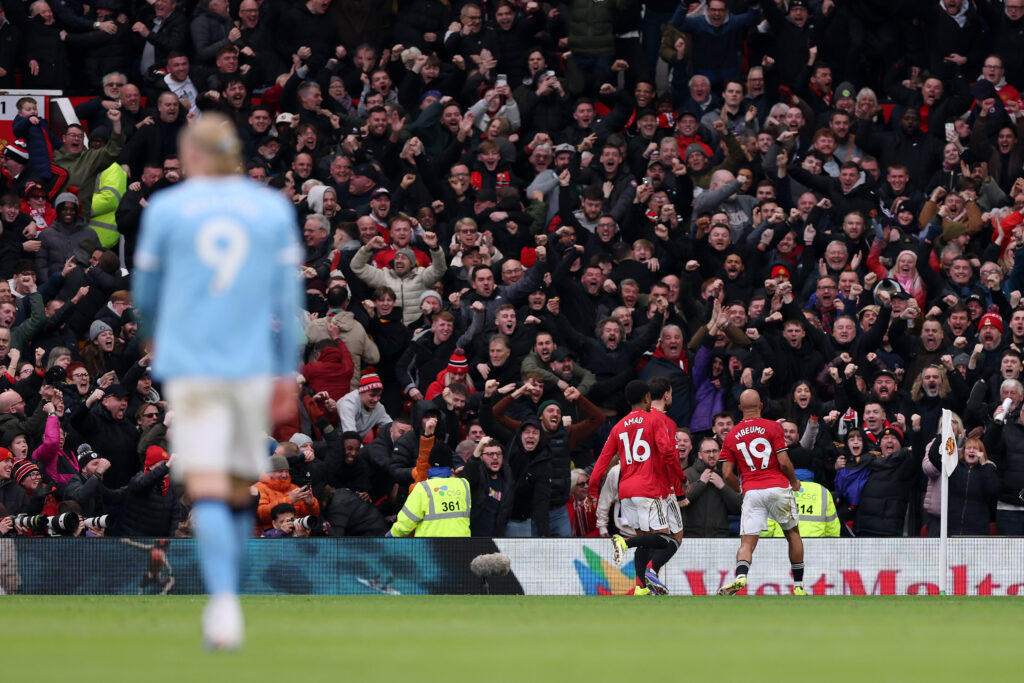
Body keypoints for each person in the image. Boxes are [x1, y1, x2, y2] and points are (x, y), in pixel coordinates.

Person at [132, 113, 302, 650]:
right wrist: (285, 366)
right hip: (250, 361)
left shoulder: (167, 207)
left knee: (207, 488)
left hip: (194, 363)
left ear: (192, 156)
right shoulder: (271, 208)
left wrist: (155, 339)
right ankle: (229, 600)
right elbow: (287, 296)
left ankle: (223, 605)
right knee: (235, 488)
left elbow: (145, 292)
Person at [588, 380, 684, 596]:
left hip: (626, 493)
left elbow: (602, 463)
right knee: (664, 537)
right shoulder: (654, 420)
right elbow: (668, 454)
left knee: (645, 539)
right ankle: (624, 542)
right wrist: (681, 477)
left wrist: (593, 491)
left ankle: (641, 587)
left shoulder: (618, 427)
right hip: (650, 489)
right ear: (647, 398)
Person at [718, 389, 805, 596]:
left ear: (740, 409)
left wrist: (740, 489)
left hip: (752, 491)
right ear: (761, 406)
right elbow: (783, 462)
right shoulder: (773, 426)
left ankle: (740, 576)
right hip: (776, 487)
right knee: (792, 534)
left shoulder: (731, 435)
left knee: (747, 541)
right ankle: (799, 586)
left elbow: (726, 473)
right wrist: (794, 482)